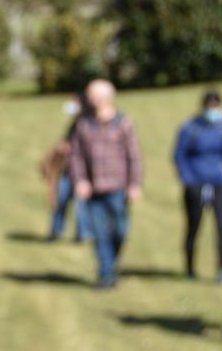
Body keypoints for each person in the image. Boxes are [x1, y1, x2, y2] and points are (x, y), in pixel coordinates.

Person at [70, 79, 144, 289]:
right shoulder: (84, 124)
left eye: (93, 96)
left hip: (118, 188)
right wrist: (80, 180)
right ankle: (106, 274)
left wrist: (135, 184)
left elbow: (134, 156)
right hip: (93, 190)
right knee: (99, 233)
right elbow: (76, 156)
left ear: (105, 98)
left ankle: (110, 262)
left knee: (120, 230)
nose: (90, 100)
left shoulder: (123, 123)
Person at [172, 89, 222, 287]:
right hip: (196, 183)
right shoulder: (190, 128)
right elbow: (179, 156)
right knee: (194, 226)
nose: (213, 110)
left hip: (219, 182)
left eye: (216, 106)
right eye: (210, 106)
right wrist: (189, 180)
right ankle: (190, 267)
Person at [40, 94, 92, 242]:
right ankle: (56, 231)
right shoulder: (75, 123)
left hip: (81, 172)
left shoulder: (87, 124)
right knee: (60, 200)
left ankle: (83, 234)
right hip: (67, 170)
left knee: (81, 205)